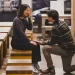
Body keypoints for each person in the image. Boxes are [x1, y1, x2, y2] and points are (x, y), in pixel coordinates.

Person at [40, 10, 75, 75]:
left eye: (48, 16)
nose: (47, 18)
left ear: (51, 18)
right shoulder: (63, 22)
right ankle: (52, 69)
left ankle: (51, 69)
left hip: (65, 49)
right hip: (71, 49)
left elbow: (52, 42)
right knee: (66, 69)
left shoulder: (55, 27)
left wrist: (43, 42)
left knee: (45, 48)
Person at [11, 4, 41, 73]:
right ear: (22, 10)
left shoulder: (24, 19)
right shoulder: (16, 20)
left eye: (28, 10)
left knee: (37, 44)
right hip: (16, 42)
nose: (28, 12)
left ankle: (35, 63)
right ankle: (32, 65)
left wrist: (30, 18)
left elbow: (30, 28)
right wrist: (29, 41)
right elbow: (21, 33)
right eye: (26, 10)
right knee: (33, 46)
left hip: (22, 41)